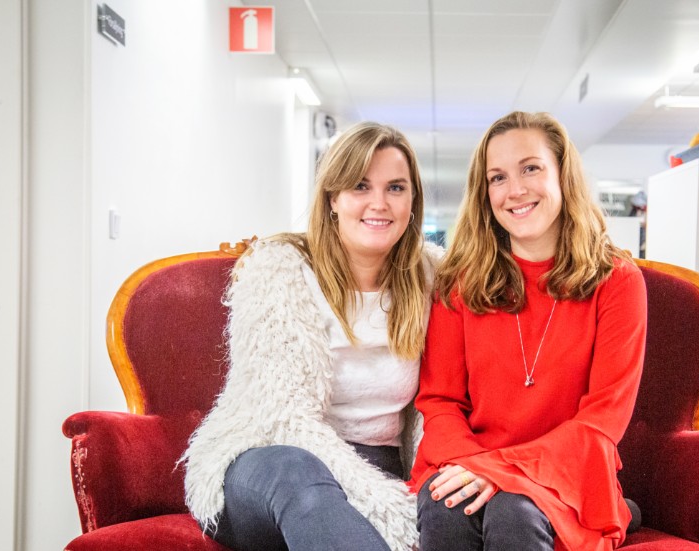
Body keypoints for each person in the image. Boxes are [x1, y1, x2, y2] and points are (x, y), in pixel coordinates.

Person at [181, 122, 440, 551]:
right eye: (360, 185)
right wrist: (390, 507)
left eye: (396, 187)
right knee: (301, 475)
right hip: (267, 460)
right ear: (333, 198)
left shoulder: (430, 278)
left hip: (381, 465)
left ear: (413, 201)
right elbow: (285, 421)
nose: (379, 203)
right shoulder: (279, 271)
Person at [409, 111, 647, 551]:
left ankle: (613, 510)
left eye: (531, 168)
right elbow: (439, 401)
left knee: (513, 510)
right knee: (446, 505)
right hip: (467, 460)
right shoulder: (458, 284)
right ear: (485, 194)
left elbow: (602, 420)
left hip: (568, 472)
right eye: (497, 178)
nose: (515, 190)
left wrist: (499, 470)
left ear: (563, 175)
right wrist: (477, 465)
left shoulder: (617, 281)